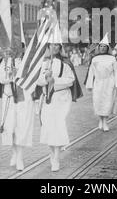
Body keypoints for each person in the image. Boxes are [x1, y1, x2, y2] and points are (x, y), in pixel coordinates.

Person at [34, 23, 82, 172]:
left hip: (61, 98)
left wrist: (55, 81)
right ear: (49, 46)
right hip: (47, 99)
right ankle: (52, 152)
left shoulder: (65, 63)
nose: (54, 47)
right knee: (49, 127)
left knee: (58, 125)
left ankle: (56, 158)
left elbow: (71, 80)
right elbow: (38, 81)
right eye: (52, 45)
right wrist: (45, 79)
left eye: (57, 45)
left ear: (60, 47)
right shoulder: (45, 63)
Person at [0, 47, 35, 171]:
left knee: (21, 128)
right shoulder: (5, 61)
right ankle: (14, 152)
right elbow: (1, 78)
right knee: (10, 127)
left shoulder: (27, 61)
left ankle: (20, 157)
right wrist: (11, 76)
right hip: (9, 98)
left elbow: (30, 78)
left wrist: (18, 75)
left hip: (23, 98)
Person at [85, 33, 117, 131]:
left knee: (108, 102)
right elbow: (91, 73)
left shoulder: (112, 58)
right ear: (99, 48)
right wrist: (89, 85)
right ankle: (100, 119)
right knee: (98, 101)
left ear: (107, 48)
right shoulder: (95, 59)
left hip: (109, 82)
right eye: (101, 46)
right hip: (98, 83)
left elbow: (116, 71)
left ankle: (105, 121)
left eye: (105, 47)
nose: (103, 48)